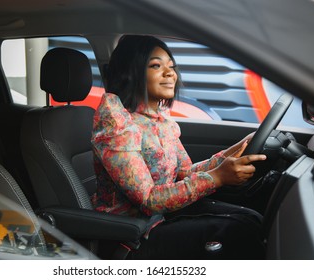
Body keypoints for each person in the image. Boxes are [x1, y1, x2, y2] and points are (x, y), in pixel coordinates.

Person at [91, 35, 267, 259]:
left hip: (163, 217)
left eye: (171, 67)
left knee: (250, 219)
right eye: (156, 66)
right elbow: (149, 200)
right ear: (131, 71)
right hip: (132, 235)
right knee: (239, 232)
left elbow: (184, 173)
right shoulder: (116, 122)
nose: (170, 73)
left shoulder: (159, 119)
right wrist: (218, 177)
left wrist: (234, 150)